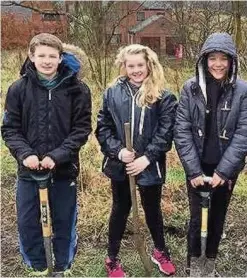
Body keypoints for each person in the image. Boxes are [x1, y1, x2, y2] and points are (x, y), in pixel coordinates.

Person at [1, 33, 92, 276]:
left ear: (61, 58)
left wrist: (58, 155)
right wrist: (25, 154)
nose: (47, 61)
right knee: (29, 222)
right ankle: (38, 267)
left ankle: (62, 265)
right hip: (29, 171)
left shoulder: (78, 90)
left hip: (63, 170)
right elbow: (10, 128)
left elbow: (82, 129)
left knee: (63, 220)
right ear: (32, 56)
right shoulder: (18, 89)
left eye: (53, 56)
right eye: (41, 55)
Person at [174, 32, 247, 277]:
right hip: (197, 168)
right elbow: (182, 130)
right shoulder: (190, 88)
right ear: (204, 60)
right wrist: (193, 170)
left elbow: (244, 134)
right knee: (197, 218)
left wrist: (224, 171)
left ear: (231, 61)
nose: (218, 64)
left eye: (223, 59)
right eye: (212, 58)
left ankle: (210, 263)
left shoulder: (242, 90)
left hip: (224, 169)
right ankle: (194, 265)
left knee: (218, 217)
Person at [95, 44, 177, 277]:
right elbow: (103, 128)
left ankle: (160, 251)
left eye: (140, 65)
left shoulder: (164, 95)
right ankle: (112, 258)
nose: (136, 70)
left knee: (153, 209)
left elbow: (165, 132)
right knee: (120, 209)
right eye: (130, 66)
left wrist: (147, 158)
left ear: (149, 65)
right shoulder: (113, 92)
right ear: (124, 66)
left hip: (150, 166)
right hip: (120, 165)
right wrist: (119, 152)